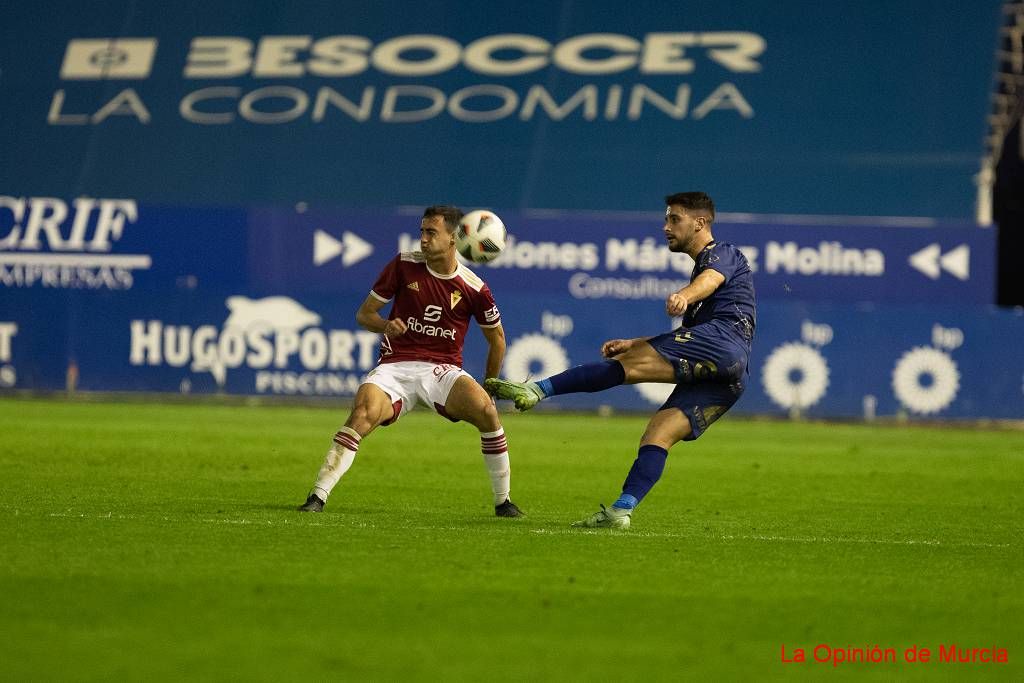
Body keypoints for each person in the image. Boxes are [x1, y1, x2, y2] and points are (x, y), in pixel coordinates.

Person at [486, 192, 754, 528]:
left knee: (625, 368)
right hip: (731, 376)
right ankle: (621, 510)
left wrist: (684, 296)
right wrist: (634, 343)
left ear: (700, 223)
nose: (666, 226)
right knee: (658, 434)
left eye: (675, 219)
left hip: (722, 344)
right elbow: (683, 338)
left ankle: (538, 389)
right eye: (666, 219)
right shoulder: (704, 274)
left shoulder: (723, 253)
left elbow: (709, 281)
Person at [299, 205, 524, 518]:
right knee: (363, 414)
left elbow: (497, 339)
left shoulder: (474, 288)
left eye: (431, 232)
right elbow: (364, 314)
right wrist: (385, 325)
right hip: (395, 366)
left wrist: (490, 385)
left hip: (442, 370)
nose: (423, 239)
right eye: (422, 231)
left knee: (487, 412)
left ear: (453, 239)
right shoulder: (403, 265)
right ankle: (317, 496)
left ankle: (503, 502)